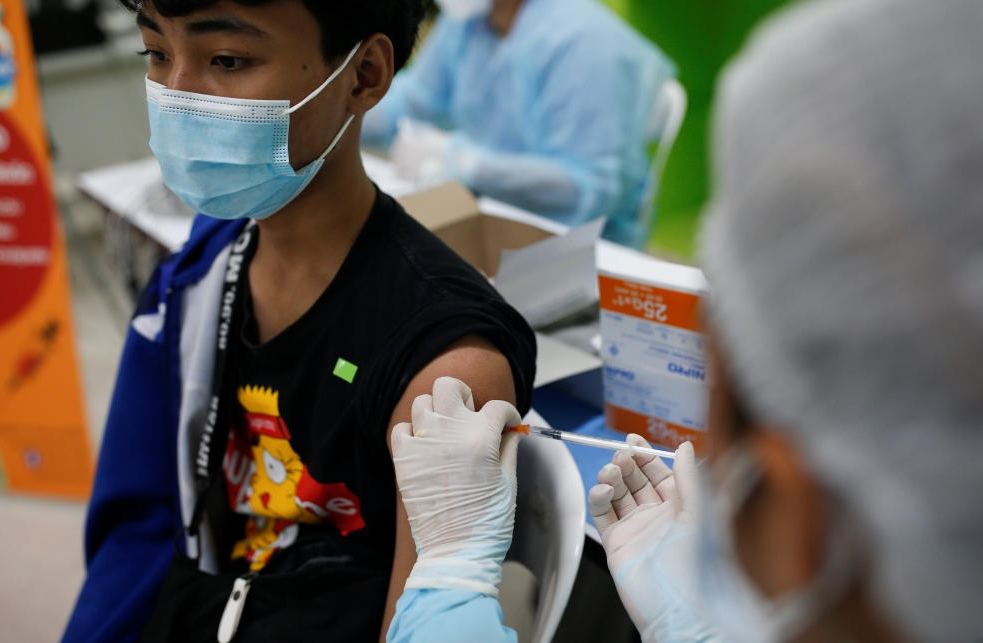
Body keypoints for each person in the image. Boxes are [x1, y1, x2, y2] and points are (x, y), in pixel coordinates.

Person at [384, 0, 983, 641]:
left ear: (789, 509)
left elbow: (589, 187)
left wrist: (449, 579)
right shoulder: (469, 37)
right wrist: (685, 623)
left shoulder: (579, 41)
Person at [61, 1, 536, 642]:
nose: (176, 95)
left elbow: (417, 624)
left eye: (227, 60)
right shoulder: (206, 272)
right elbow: (141, 524)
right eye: (157, 53)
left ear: (363, 75)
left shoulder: (445, 363)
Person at [360, 0, 675, 249]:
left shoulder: (583, 41)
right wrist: (346, 103)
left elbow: (589, 188)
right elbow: (413, 101)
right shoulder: (471, 23)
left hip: (578, 251)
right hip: (489, 223)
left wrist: (469, 165)